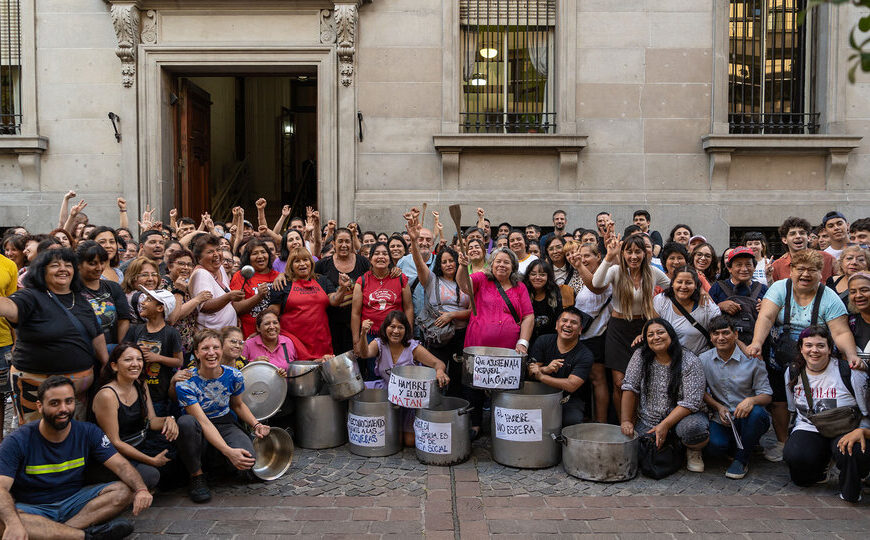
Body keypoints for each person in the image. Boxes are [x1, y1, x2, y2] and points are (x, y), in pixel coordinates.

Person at [0, 376, 151, 540]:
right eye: (54, 403)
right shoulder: (17, 440)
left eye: (68, 401)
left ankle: (57, 533)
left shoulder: (88, 432)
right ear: (40, 406)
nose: (63, 408)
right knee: (4, 520)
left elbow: (121, 465)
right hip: (33, 508)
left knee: (124, 491)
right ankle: (85, 536)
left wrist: (141, 489)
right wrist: (13, 523)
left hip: (74, 503)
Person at [748, 248, 861, 461]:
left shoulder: (830, 297)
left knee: (818, 398)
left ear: (821, 273)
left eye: (812, 270)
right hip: (780, 353)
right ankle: (783, 442)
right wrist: (756, 343)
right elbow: (766, 316)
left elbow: (841, 331)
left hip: (817, 356)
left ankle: (821, 434)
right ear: (791, 270)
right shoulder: (780, 288)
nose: (805, 275)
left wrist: (852, 355)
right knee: (779, 399)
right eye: (800, 269)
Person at [0, 249, 109, 423]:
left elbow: (96, 335)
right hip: (35, 386)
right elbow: (9, 307)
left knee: (73, 436)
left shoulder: (79, 299)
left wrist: (105, 363)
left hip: (78, 391)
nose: (63, 269)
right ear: (42, 271)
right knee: (37, 435)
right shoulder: (30, 297)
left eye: (68, 265)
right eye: (55, 265)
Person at [174, 330, 270, 503]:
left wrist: (256, 425)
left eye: (215, 347)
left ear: (221, 349)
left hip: (224, 422)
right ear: (196, 352)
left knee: (248, 460)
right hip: (197, 427)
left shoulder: (234, 375)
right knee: (185, 423)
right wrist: (228, 451)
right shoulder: (185, 383)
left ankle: (215, 462)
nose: (211, 353)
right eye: (205, 348)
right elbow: (203, 422)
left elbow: (237, 405)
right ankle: (197, 475)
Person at [782, 326, 870, 503]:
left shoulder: (849, 372)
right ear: (801, 348)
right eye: (808, 345)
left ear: (830, 349)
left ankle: (852, 488)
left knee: (851, 451)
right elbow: (794, 409)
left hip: (845, 427)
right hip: (809, 426)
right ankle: (821, 466)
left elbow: (866, 411)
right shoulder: (793, 372)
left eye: (821, 346)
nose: (814, 350)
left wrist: (861, 432)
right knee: (796, 462)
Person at [590, 229, 670, 420]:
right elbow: (597, 282)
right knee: (619, 383)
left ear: (645, 254)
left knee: (641, 381)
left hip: (643, 329)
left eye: (638, 252)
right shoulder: (616, 271)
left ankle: (642, 423)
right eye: (629, 252)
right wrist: (609, 257)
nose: (633, 256)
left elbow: (673, 290)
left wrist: (702, 294)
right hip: (618, 329)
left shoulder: (653, 273)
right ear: (623, 253)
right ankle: (625, 424)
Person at [456, 247, 534, 436]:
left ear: (513, 267)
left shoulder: (520, 287)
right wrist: (462, 266)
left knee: (503, 388)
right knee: (474, 387)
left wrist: (523, 342)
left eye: (507, 262)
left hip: (507, 350)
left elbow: (528, 316)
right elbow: (464, 285)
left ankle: (502, 426)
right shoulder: (482, 280)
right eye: (498, 261)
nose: (502, 265)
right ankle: (475, 424)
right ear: (491, 264)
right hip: (478, 346)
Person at [620, 319, 709, 473]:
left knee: (693, 429)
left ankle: (693, 450)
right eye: (650, 335)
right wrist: (626, 420)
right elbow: (629, 387)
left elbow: (691, 402)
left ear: (671, 335)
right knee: (640, 448)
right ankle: (676, 447)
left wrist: (666, 424)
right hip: (649, 419)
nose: (656, 337)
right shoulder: (640, 356)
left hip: (684, 418)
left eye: (660, 332)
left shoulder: (689, 360)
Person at [91, 344, 180, 491]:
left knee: (174, 457)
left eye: (139, 359)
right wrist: (151, 461)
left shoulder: (140, 383)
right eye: (128, 360)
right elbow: (115, 442)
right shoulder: (107, 395)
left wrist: (169, 419)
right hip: (113, 455)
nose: (135, 364)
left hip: (139, 445)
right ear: (114, 366)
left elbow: (151, 421)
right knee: (151, 475)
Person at [354, 311, 449, 446]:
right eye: (392, 326)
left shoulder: (412, 347)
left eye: (400, 327)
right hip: (386, 394)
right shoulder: (379, 344)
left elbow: (438, 363)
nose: (396, 331)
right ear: (385, 328)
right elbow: (364, 354)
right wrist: (363, 333)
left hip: (408, 400)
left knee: (409, 442)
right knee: (358, 389)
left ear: (406, 330)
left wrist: (440, 372)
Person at [700, 316, 772, 479]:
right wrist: (718, 406)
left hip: (747, 416)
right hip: (722, 418)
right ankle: (743, 444)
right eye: (716, 334)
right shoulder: (703, 360)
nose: (721, 338)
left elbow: (767, 395)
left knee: (758, 415)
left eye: (726, 333)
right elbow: (700, 391)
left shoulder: (752, 360)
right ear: (710, 337)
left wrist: (751, 400)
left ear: (735, 335)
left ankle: (741, 459)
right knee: (715, 447)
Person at [405, 215, 469, 398]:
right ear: (439, 265)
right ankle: (433, 409)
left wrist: (452, 315)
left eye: (452, 260)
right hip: (438, 336)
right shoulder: (432, 280)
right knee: (434, 374)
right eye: (444, 261)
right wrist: (413, 241)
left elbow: (473, 312)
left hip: (461, 336)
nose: (448, 264)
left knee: (458, 376)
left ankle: (455, 412)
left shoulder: (467, 282)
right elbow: (418, 263)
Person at [270, 247, 349, 360]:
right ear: (291, 265)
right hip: (293, 341)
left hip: (320, 341)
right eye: (297, 261)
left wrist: (342, 288)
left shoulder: (322, 280)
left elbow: (334, 300)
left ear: (311, 262)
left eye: (305, 260)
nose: (302, 264)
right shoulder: (283, 283)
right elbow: (273, 311)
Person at [528, 307, 595, 426]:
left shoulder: (585, 355)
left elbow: (571, 385)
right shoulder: (543, 341)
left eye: (574, 323)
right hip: (539, 394)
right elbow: (531, 371)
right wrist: (545, 369)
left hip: (568, 399)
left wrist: (542, 376)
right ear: (556, 325)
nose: (568, 325)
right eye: (564, 320)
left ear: (580, 330)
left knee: (572, 420)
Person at [568, 242, 612, 423]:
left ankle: (600, 423)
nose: (583, 259)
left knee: (597, 379)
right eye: (581, 255)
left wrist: (578, 266)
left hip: (596, 337)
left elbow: (596, 286)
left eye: (587, 256)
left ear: (598, 257)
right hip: (582, 337)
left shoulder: (605, 277)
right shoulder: (583, 277)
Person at [123, 287, 183, 416]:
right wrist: (136, 352)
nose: (143, 303)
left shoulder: (171, 333)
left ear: (160, 308)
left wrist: (157, 358)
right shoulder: (135, 330)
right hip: (134, 390)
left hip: (158, 394)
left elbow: (179, 361)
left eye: (149, 300)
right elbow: (122, 352)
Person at [315, 227, 371, 354]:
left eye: (347, 241)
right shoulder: (322, 265)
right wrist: (281, 276)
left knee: (358, 362)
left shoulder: (363, 263)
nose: (344, 245)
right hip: (330, 324)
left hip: (358, 324)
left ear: (352, 243)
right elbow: (305, 279)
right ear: (333, 243)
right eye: (340, 241)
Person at [352, 242, 413, 355]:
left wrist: (409, 334)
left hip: (396, 333)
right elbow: (355, 313)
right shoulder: (362, 281)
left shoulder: (400, 278)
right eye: (376, 254)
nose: (381, 256)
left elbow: (408, 307)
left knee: (394, 367)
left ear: (390, 259)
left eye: (385, 254)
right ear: (370, 259)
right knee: (373, 369)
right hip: (371, 334)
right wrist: (356, 341)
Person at [76, 241, 132, 352]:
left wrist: (120, 349)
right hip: (84, 351)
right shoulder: (72, 290)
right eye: (92, 263)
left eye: (102, 263)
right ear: (78, 264)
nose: (99, 268)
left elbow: (123, 319)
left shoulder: (113, 287)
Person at [653, 266, 721, 355]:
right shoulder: (661, 300)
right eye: (679, 282)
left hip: (698, 359)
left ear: (696, 285)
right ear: (672, 283)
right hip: (668, 359)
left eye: (688, 283)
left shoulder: (707, 306)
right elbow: (654, 327)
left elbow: (718, 333)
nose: (683, 286)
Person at [189, 235, 243, 331]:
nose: (216, 254)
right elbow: (205, 306)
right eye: (210, 252)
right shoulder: (201, 274)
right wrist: (229, 297)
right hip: (211, 335)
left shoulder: (220, 268)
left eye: (218, 250)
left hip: (226, 334)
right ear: (199, 257)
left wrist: (233, 313)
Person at [163, 248, 211, 355]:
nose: (186, 268)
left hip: (186, 346)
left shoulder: (185, 284)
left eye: (189, 265)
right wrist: (197, 299)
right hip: (170, 347)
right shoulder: (164, 285)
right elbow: (172, 317)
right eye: (181, 264)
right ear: (170, 266)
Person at [229, 238, 279, 338]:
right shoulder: (240, 275)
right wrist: (258, 296)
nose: (260, 256)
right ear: (248, 257)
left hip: (272, 334)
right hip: (248, 334)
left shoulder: (278, 276)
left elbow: (278, 309)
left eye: (263, 252)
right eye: (255, 253)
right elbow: (237, 308)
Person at [522, 260, 575, 348]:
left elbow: (559, 317)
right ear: (528, 276)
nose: (537, 277)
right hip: (526, 341)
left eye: (542, 275)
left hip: (549, 341)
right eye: (533, 274)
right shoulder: (523, 292)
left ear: (548, 277)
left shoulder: (554, 291)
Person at [769, 217, 837, 282]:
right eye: (792, 234)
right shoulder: (777, 266)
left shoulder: (827, 258)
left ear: (808, 237)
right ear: (784, 240)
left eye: (802, 233)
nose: (798, 236)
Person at [0, 253, 16, 439]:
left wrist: (16, 342)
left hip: (3, 341)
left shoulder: (8, 265)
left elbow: (14, 307)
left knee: (1, 396)